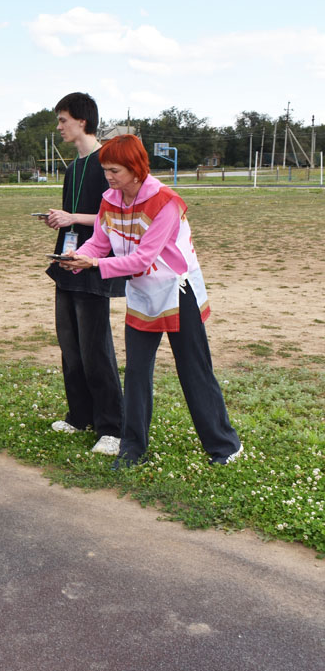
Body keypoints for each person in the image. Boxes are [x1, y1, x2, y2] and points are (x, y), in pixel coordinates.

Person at [60, 134, 243, 468]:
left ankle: (225, 445)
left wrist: (96, 265)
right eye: (105, 170)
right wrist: (76, 258)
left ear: (136, 169)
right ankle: (132, 450)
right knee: (136, 373)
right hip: (143, 293)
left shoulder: (165, 202)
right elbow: (99, 243)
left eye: (114, 170)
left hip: (177, 290)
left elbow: (143, 258)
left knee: (194, 370)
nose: (108, 177)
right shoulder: (109, 200)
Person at [41, 92, 125, 455]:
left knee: (95, 349)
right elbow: (73, 217)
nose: (59, 127)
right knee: (70, 345)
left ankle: (112, 428)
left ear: (82, 121)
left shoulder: (107, 163)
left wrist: (73, 218)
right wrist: (59, 221)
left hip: (94, 266)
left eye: (63, 120)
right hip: (67, 262)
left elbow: (115, 217)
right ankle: (79, 416)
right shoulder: (72, 167)